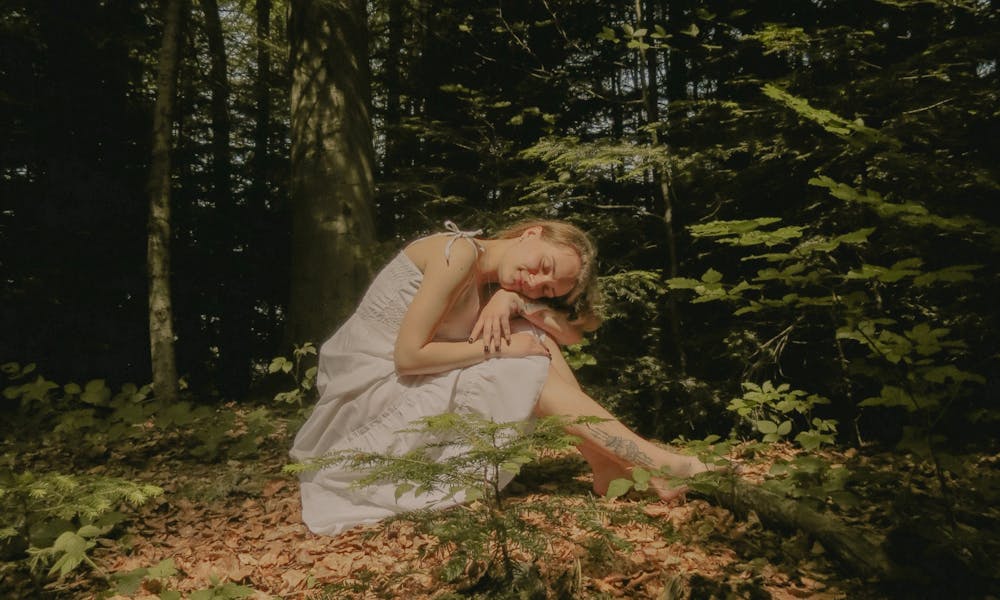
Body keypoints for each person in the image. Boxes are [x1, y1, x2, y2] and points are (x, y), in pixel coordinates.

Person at [290, 220, 710, 536]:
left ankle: (603, 462)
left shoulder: (491, 279)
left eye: (548, 289)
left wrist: (515, 302)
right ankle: (657, 464)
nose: (537, 281)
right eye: (543, 265)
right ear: (532, 233)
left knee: (531, 336)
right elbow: (408, 357)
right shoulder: (457, 254)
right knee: (520, 356)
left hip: (398, 385)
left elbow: (568, 334)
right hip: (367, 402)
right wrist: (501, 347)